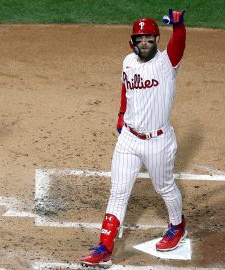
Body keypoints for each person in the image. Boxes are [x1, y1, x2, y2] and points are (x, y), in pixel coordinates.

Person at [80, 8, 187, 268]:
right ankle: (104, 248)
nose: (145, 42)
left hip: (158, 141)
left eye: (150, 38)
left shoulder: (166, 63)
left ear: (157, 40)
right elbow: (125, 89)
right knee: (118, 192)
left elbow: (178, 44)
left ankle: (177, 225)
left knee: (164, 187)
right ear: (133, 41)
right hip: (129, 139)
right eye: (140, 38)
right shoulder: (128, 61)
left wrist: (179, 25)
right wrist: (120, 114)